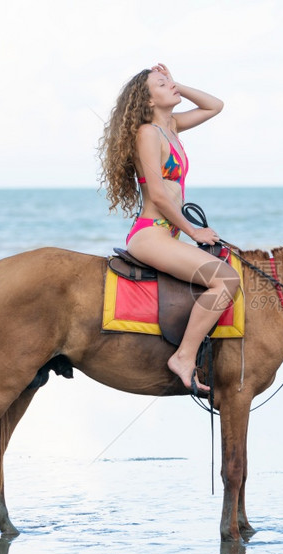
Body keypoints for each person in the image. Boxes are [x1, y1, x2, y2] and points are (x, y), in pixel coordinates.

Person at [98, 63, 238, 393]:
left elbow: (214, 105)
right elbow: (159, 195)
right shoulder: (147, 133)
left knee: (229, 271)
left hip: (165, 234)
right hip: (150, 234)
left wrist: (176, 84)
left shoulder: (171, 126)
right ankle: (184, 357)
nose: (171, 87)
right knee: (226, 280)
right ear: (147, 101)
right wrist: (194, 232)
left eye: (169, 82)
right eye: (162, 85)